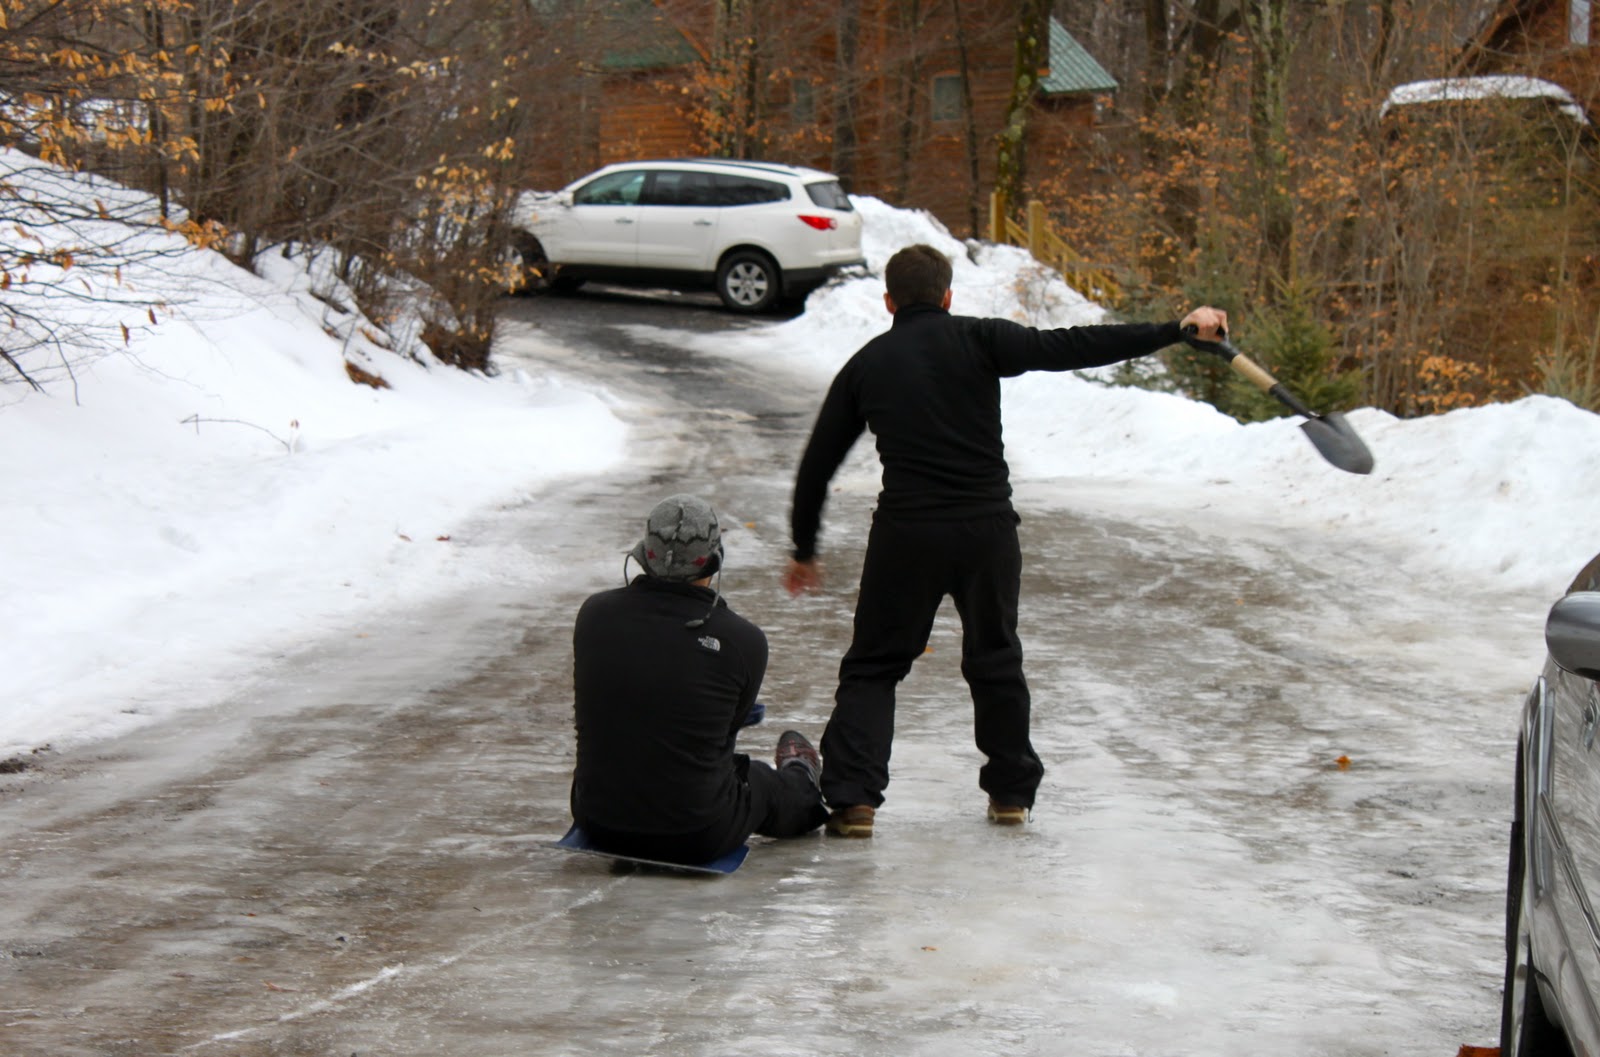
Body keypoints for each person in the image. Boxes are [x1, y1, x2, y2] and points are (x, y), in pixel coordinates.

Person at [784, 243, 1228, 838]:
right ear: (948, 297)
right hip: (985, 532)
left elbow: (817, 465)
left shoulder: (868, 363)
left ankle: (854, 800)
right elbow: (1073, 345)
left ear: (888, 301)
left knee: (873, 668)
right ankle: (1011, 795)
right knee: (995, 660)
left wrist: (804, 548)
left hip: (906, 535)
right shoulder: (981, 338)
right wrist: (1173, 331)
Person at [570, 493, 829, 865]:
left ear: (643, 555)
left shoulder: (593, 615)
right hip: (696, 831)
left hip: (597, 819)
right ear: (715, 560)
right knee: (760, 784)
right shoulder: (744, 640)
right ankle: (802, 778)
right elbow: (728, 729)